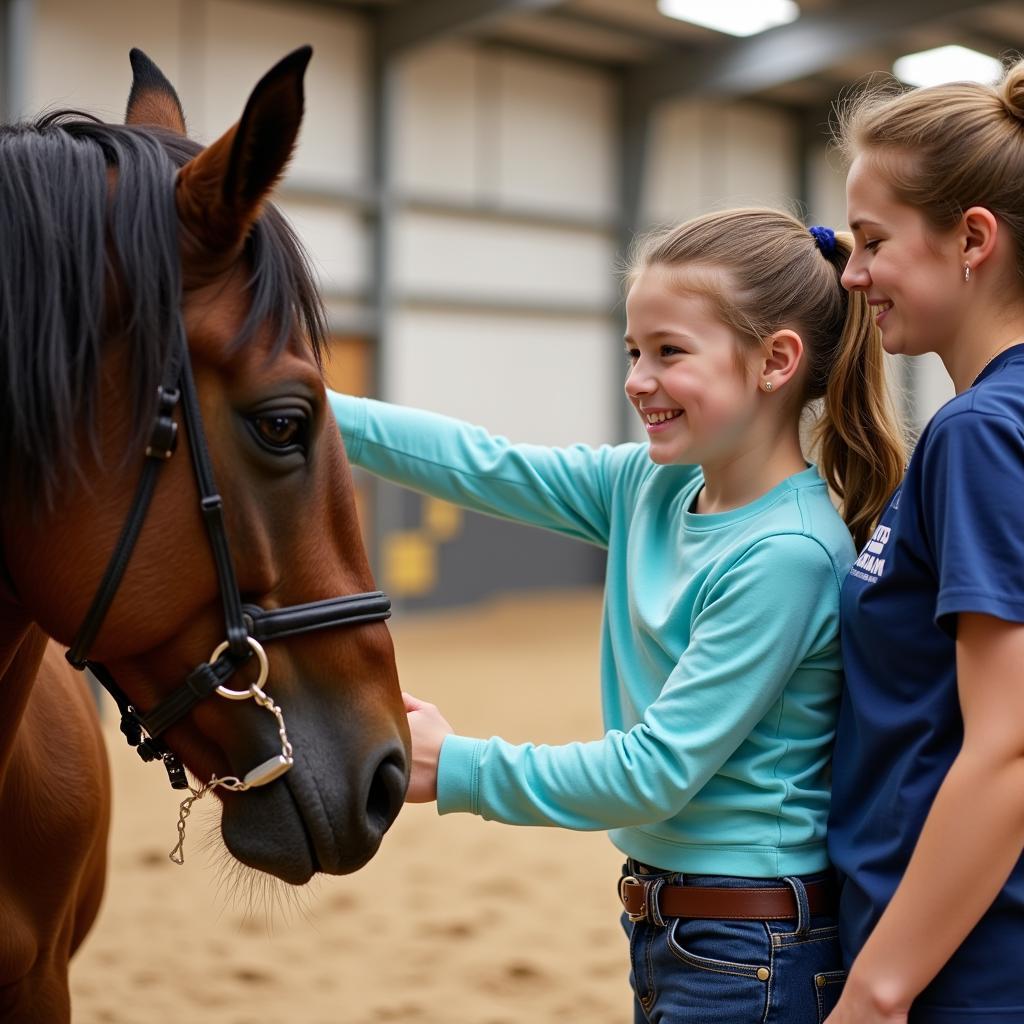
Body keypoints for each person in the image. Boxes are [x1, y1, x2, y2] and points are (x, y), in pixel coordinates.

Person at [331, 207, 905, 1022]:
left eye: (670, 352)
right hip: (676, 928)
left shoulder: (788, 554)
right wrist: (301, 403)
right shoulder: (650, 484)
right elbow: (480, 463)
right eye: (635, 351)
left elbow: (651, 774)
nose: (638, 378)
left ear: (776, 361)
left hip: (753, 951)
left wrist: (455, 765)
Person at [824, 62, 1024, 1024]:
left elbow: (1010, 745)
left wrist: (880, 989)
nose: (852, 274)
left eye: (871, 243)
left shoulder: (981, 433)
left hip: (968, 969)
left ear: (972, 239)